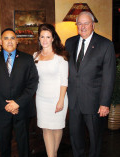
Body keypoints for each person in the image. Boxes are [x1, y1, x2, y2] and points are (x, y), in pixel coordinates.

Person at [65, 11, 116, 157]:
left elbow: (109, 76)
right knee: (75, 137)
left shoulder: (105, 44)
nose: (82, 26)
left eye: (86, 23)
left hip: (94, 103)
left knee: (95, 139)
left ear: (93, 25)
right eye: (79, 23)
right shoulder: (69, 42)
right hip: (74, 101)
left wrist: (104, 103)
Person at [0, 28, 38, 157]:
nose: (9, 41)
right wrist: (6, 105)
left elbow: (32, 83)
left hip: (22, 109)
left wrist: (17, 103)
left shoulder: (27, 59)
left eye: (13, 38)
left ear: (17, 41)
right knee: (4, 146)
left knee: (24, 145)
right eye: (6, 38)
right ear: (1, 41)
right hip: (0, 110)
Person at [33, 24, 69, 157]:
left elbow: (64, 81)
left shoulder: (61, 57)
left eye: (48, 37)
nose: (45, 40)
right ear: (39, 38)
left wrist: (60, 101)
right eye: (42, 36)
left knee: (57, 128)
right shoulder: (35, 56)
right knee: (46, 129)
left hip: (58, 98)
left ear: (53, 38)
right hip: (41, 99)